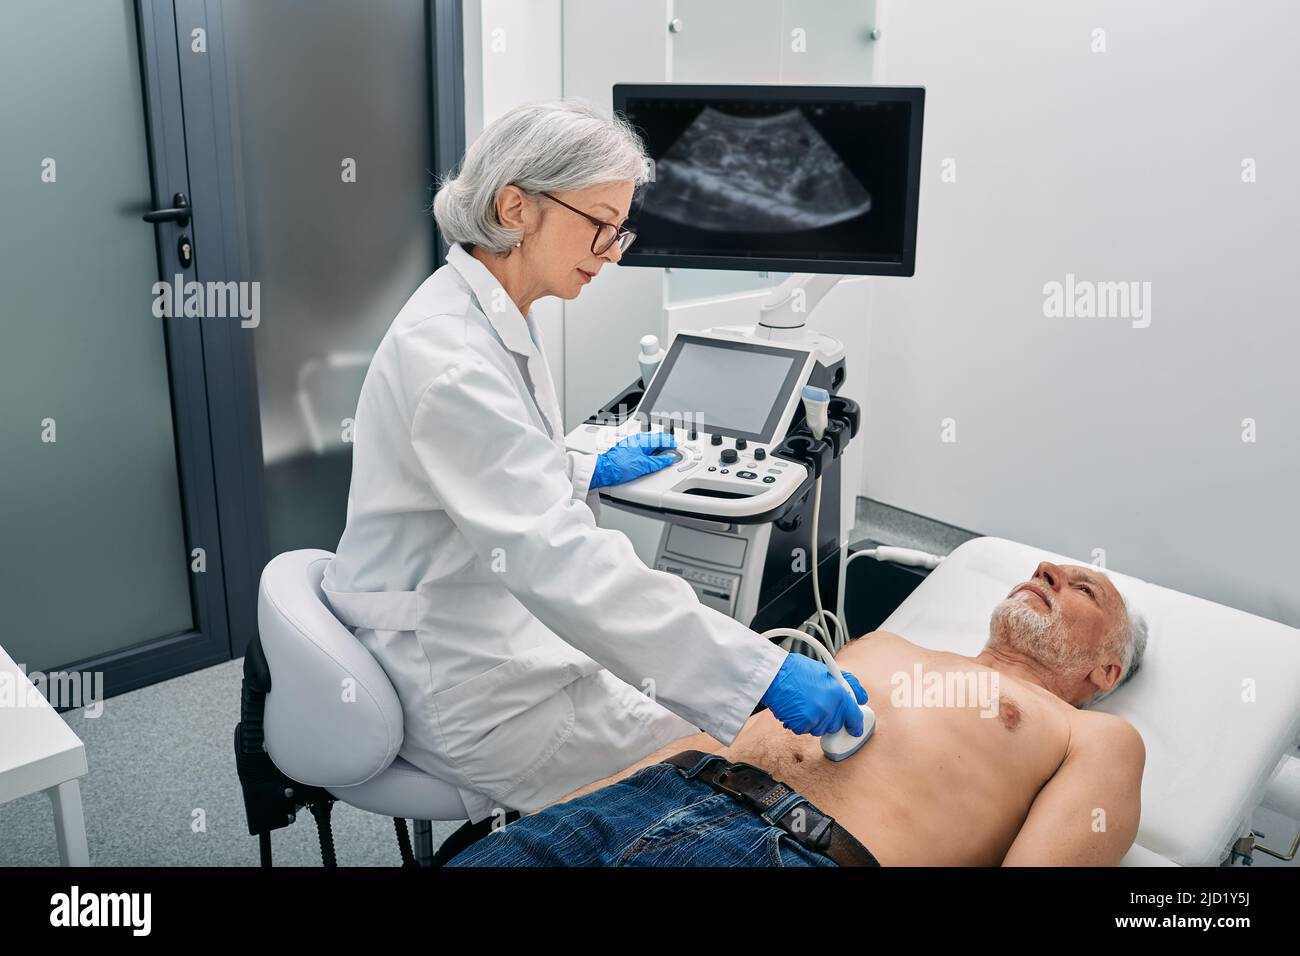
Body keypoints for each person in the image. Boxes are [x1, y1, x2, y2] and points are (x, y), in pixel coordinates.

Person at [320, 99, 867, 853]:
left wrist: (580, 464)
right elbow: (564, 561)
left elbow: (496, 468)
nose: (613, 252)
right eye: (600, 225)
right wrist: (763, 672)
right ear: (517, 207)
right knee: (720, 755)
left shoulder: (485, 309)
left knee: (701, 709)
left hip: (490, 623)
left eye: (622, 228)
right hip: (463, 679)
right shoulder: (451, 359)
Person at [446, 561, 1149, 866]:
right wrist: (572, 805)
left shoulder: (1093, 735)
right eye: (1041, 571)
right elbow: (714, 734)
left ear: (1105, 670)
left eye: (1080, 586)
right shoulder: (886, 644)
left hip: (793, 852)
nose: (1045, 576)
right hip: (648, 796)